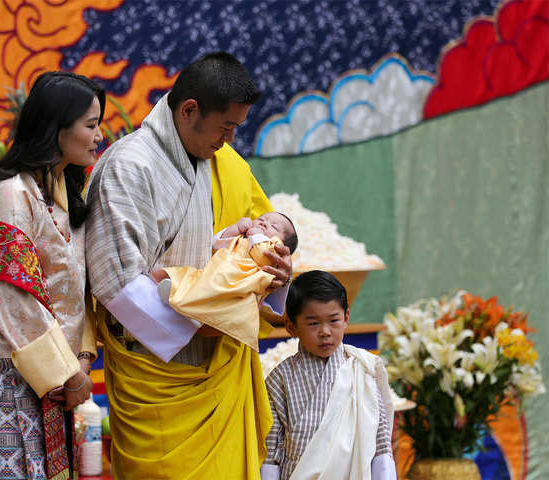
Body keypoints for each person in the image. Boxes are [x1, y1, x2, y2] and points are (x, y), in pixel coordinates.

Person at [85, 52, 292, 479]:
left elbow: (248, 239)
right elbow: (117, 285)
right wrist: (214, 319)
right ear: (189, 110)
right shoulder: (129, 166)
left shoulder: (220, 162)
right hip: (158, 379)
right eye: (226, 127)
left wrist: (273, 269)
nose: (230, 139)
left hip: (220, 362)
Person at [0, 71, 103, 480]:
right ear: (56, 128)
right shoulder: (10, 193)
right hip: (9, 375)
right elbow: (10, 296)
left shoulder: (63, 194)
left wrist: (81, 360)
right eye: (91, 125)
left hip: (56, 378)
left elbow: (77, 292)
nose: (98, 136)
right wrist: (66, 373)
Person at [262, 270, 396, 480]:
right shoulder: (280, 379)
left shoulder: (362, 370)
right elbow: (270, 451)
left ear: (346, 318)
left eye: (333, 320)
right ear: (291, 326)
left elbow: (380, 443)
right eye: (313, 323)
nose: (325, 331)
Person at [154, 211, 298, 351]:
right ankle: (175, 293)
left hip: (241, 286)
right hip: (218, 273)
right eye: (261, 219)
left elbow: (263, 255)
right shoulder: (243, 238)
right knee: (188, 279)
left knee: (226, 309)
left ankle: (194, 316)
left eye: (274, 227)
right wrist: (235, 229)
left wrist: (256, 235)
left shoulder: (272, 247)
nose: (264, 223)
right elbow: (216, 243)